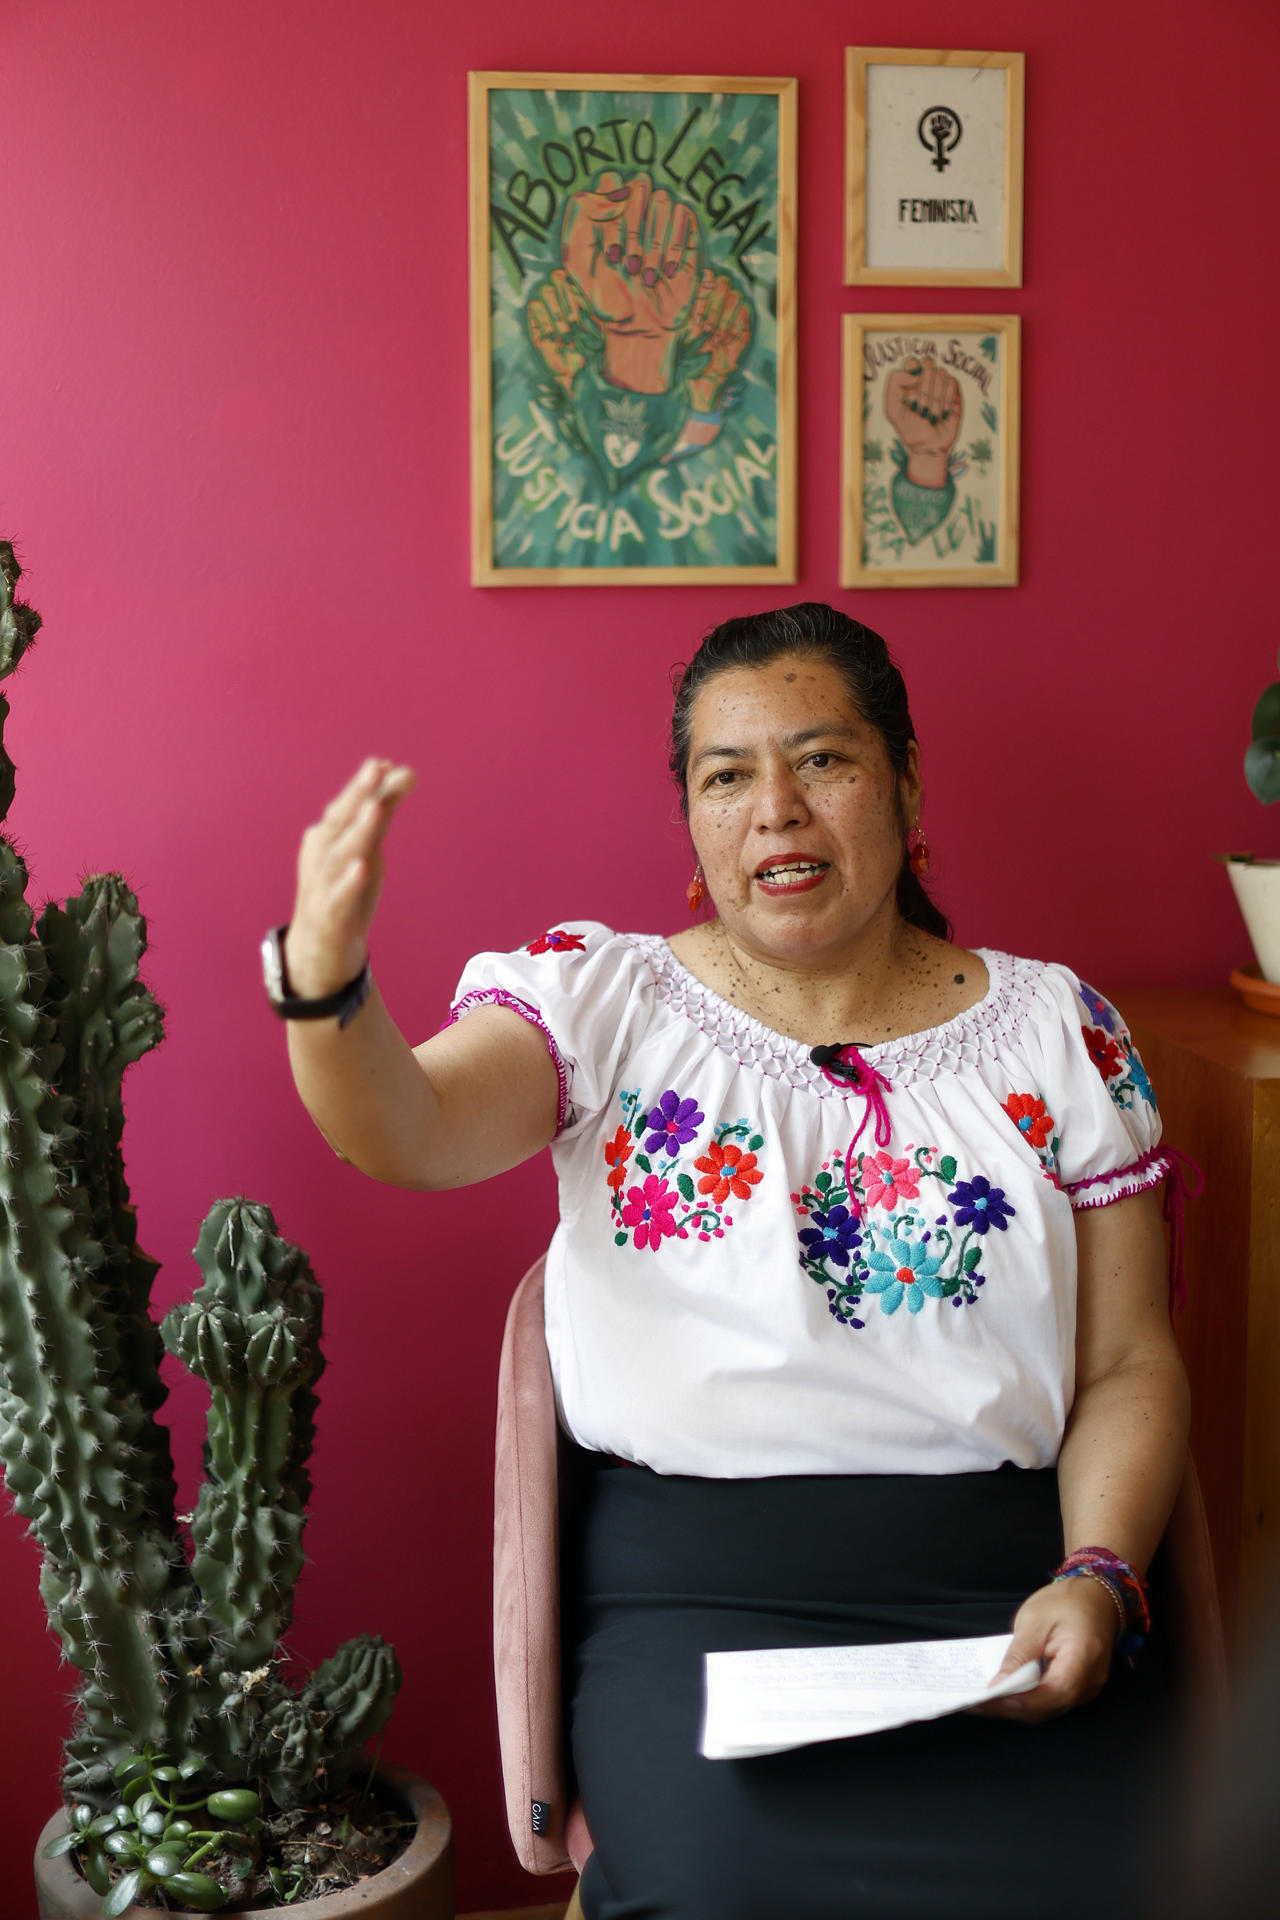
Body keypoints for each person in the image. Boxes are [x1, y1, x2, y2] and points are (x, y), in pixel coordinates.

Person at [271, 603, 1190, 1920]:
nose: (777, 809)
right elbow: (399, 1129)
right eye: (727, 775)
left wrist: (1098, 1572)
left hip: (1014, 1585)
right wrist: (323, 987)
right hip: (697, 1599)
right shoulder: (604, 1003)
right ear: (691, 818)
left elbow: (1128, 1361)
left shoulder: (1060, 1030)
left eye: (823, 760)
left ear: (906, 781)